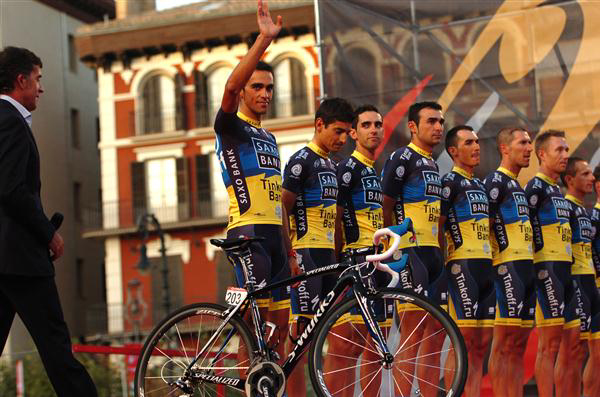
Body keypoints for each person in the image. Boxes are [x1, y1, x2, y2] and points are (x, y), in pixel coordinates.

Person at [0, 46, 98, 396]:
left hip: (6, 260)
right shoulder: (9, 122)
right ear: (21, 79)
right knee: (57, 349)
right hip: (21, 261)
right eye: (38, 79)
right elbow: (11, 190)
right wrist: (48, 234)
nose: (41, 88)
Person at [213, 0, 289, 360]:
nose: (265, 94)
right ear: (244, 91)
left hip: (275, 235)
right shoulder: (231, 128)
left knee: (281, 329)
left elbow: (277, 196)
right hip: (247, 233)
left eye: (269, 88)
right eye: (257, 86)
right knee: (250, 327)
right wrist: (263, 40)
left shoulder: (270, 137)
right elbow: (229, 86)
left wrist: (289, 247)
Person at [282, 97, 353, 397]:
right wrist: (289, 255)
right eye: (337, 131)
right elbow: (282, 210)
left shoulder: (332, 165)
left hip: (328, 256)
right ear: (319, 124)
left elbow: (336, 219)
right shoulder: (302, 160)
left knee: (330, 334)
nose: (343, 138)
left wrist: (339, 257)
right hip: (307, 253)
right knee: (299, 338)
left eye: (347, 132)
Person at [381, 101, 446, 397]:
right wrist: (391, 247)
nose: (438, 127)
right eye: (431, 121)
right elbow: (385, 206)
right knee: (412, 335)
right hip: (410, 252)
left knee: (436, 334)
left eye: (440, 122)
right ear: (412, 126)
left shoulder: (433, 163)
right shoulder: (401, 158)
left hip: (433, 252)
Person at [439, 125, 494, 396]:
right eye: (469, 142)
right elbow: (439, 225)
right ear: (453, 151)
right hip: (463, 264)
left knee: (482, 343)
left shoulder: (480, 184)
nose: (476, 147)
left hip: (486, 265)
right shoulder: (449, 182)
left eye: (477, 142)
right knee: (462, 341)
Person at [524, 130, 580, 397]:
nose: (565, 155)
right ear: (542, 154)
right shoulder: (535, 186)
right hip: (547, 269)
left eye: (567, 150)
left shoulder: (557, 190)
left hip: (566, 270)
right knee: (550, 345)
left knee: (572, 345)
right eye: (559, 150)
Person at [333, 104, 384, 395]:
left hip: (377, 260)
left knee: (375, 345)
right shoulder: (349, 168)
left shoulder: (372, 170)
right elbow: (337, 216)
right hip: (356, 259)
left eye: (378, 124)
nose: (373, 130)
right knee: (346, 344)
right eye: (366, 125)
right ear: (353, 133)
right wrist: (341, 257)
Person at [484, 127, 535, 397]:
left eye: (530, 143)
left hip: (526, 268)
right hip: (506, 268)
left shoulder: (518, 185)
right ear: (505, 148)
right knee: (503, 345)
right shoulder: (496, 181)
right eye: (522, 143)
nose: (529, 148)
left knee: (517, 345)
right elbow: (487, 225)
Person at [562, 157, 600, 397]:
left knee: (596, 353)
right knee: (572, 351)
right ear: (569, 179)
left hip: (589, 284)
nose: (591, 179)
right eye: (585, 174)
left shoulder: (584, 212)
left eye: (591, 174)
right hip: (574, 282)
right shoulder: (565, 208)